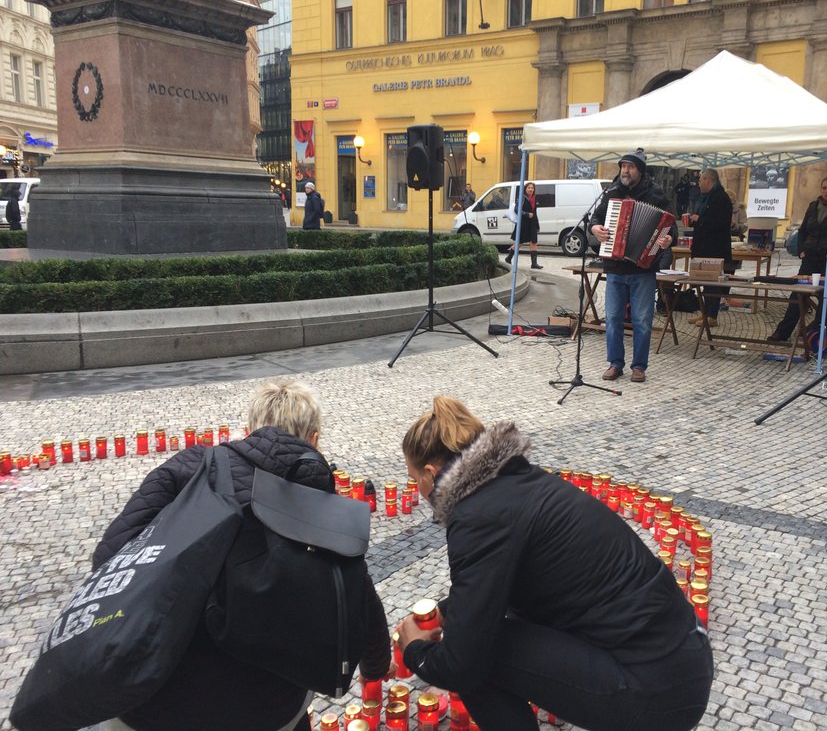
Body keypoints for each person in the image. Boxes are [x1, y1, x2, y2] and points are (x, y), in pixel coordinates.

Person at [395, 397, 713, 731]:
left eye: (414, 479)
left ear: (431, 474)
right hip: (684, 661)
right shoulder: (516, 483)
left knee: (480, 655)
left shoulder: (477, 516)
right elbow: (500, 578)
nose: (417, 490)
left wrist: (413, 649)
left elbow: (461, 665)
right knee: (482, 635)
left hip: (658, 695)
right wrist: (447, 612)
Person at [91, 380, 392, 731]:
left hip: (149, 700)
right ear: (313, 440)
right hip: (265, 708)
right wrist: (376, 664)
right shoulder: (317, 502)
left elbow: (109, 560)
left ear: (250, 430)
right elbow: (356, 593)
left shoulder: (189, 466)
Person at [589, 149, 674, 383]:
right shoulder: (612, 193)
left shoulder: (656, 195)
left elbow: (670, 228)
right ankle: (615, 363)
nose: (625, 171)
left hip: (643, 269)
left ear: (640, 170)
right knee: (613, 317)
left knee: (642, 320)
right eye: (623, 166)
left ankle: (639, 366)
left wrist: (668, 239)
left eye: (630, 167)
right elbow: (594, 220)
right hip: (615, 267)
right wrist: (595, 229)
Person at [768, 176, 827, 342]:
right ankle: (783, 332)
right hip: (811, 257)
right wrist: (802, 250)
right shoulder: (813, 206)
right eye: (824, 187)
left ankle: (817, 334)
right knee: (798, 294)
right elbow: (803, 231)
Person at [687, 169, 733, 328]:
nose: (699, 183)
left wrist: (700, 220)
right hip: (704, 247)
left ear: (708, 180)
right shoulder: (707, 197)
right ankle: (705, 312)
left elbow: (721, 223)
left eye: (701, 180)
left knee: (713, 284)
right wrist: (695, 221)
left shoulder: (721, 198)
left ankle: (712, 316)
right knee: (705, 282)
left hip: (715, 248)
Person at [505, 181, 542, 269]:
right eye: (529, 188)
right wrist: (526, 214)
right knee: (519, 242)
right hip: (523, 223)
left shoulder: (534, 199)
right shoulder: (522, 198)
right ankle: (509, 257)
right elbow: (517, 210)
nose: (531, 189)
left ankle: (534, 263)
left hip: (532, 223)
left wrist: (537, 225)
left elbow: (535, 213)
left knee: (534, 242)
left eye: (532, 188)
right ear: (525, 189)